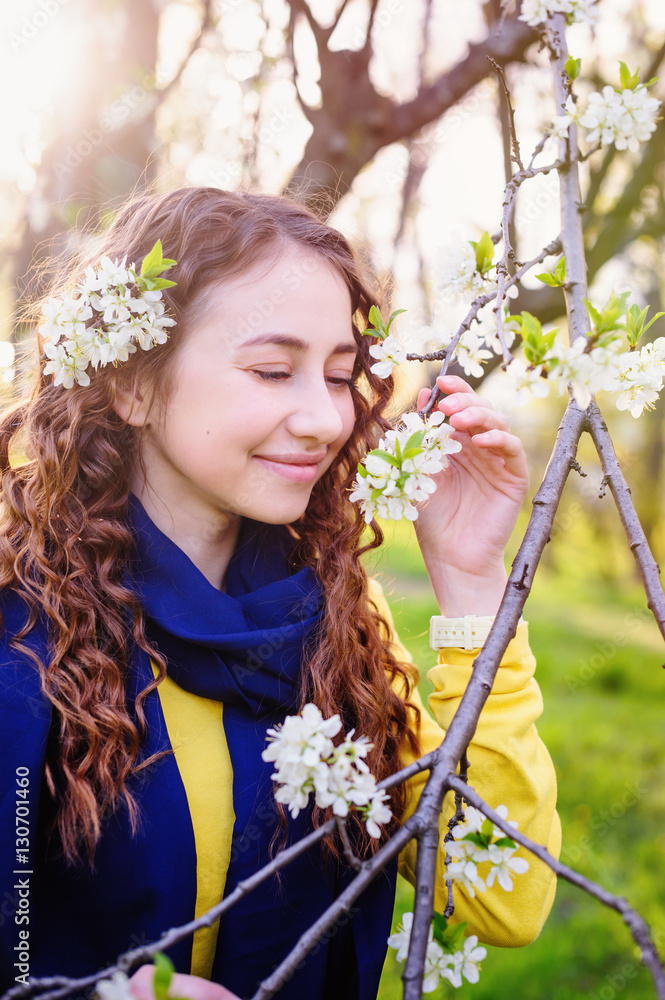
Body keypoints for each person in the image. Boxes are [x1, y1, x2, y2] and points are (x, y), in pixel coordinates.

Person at [0, 187, 560, 1000]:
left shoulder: (334, 628)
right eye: (272, 370)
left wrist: (471, 583)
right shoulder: (23, 632)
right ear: (132, 382)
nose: (326, 420)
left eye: (338, 376)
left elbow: (503, 898)